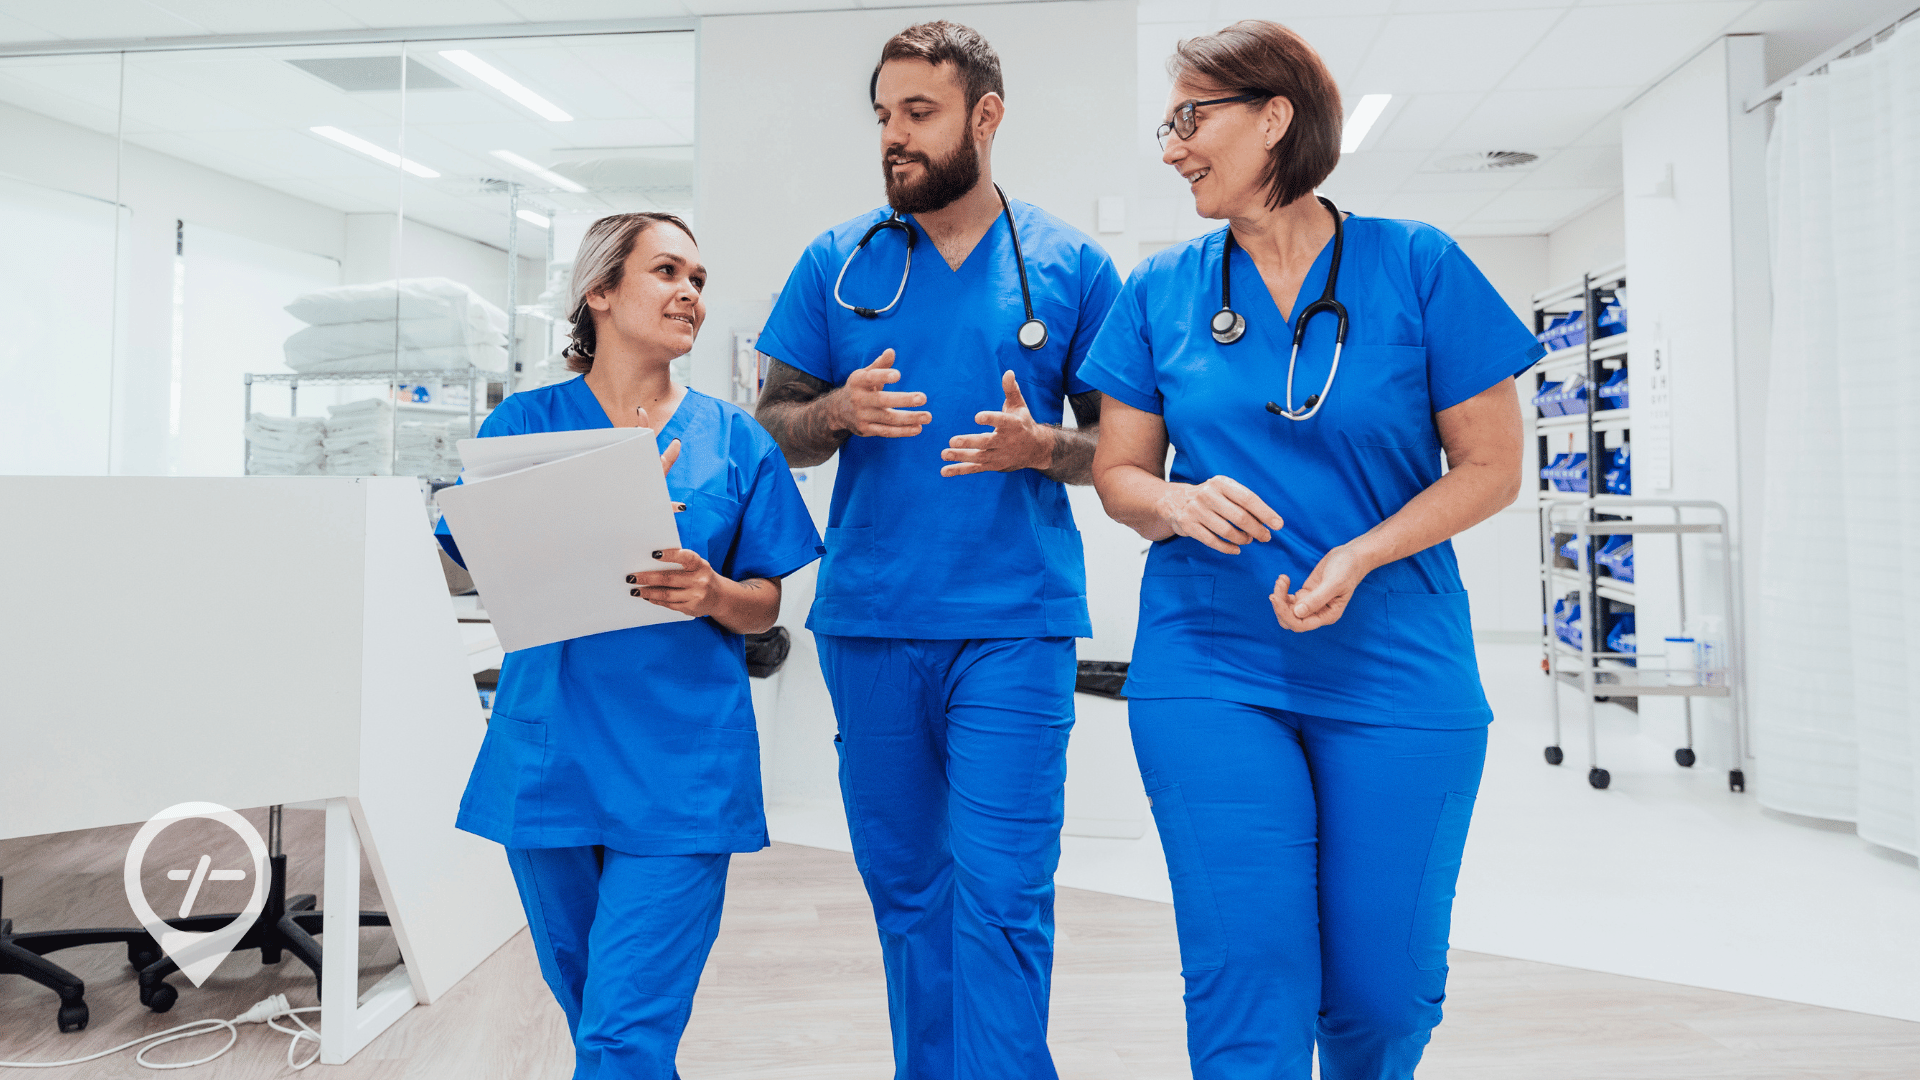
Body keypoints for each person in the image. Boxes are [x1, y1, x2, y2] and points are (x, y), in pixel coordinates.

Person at [1080, 21, 1545, 1080]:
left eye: (1190, 119)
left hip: (1398, 663)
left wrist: (1360, 555)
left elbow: (1489, 467)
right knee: (1250, 976)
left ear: (1273, 115)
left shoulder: (1417, 264)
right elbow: (1119, 475)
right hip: (1210, 665)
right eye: (1168, 125)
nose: (1171, 148)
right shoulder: (1159, 291)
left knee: (1383, 999)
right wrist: (1173, 502)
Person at [751, 21, 1122, 1080]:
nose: (894, 139)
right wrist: (837, 414)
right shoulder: (839, 260)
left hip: (1013, 619)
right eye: (883, 117)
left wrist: (1042, 444)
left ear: (985, 117)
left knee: (1003, 891)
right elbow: (770, 422)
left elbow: (1121, 453)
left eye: (918, 114)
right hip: (871, 619)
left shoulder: (1068, 264)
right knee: (908, 888)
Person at [436, 213, 823, 1079]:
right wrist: (580, 503)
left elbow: (765, 606)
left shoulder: (736, 441)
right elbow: (469, 569)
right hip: (552, 762)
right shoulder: (525, 429)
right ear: (600, 292)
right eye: (666, 272)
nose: (690, 291)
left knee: (622, 1038)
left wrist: (714, 592)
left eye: (699, 278)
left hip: (681, 770)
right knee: (595, 1024)